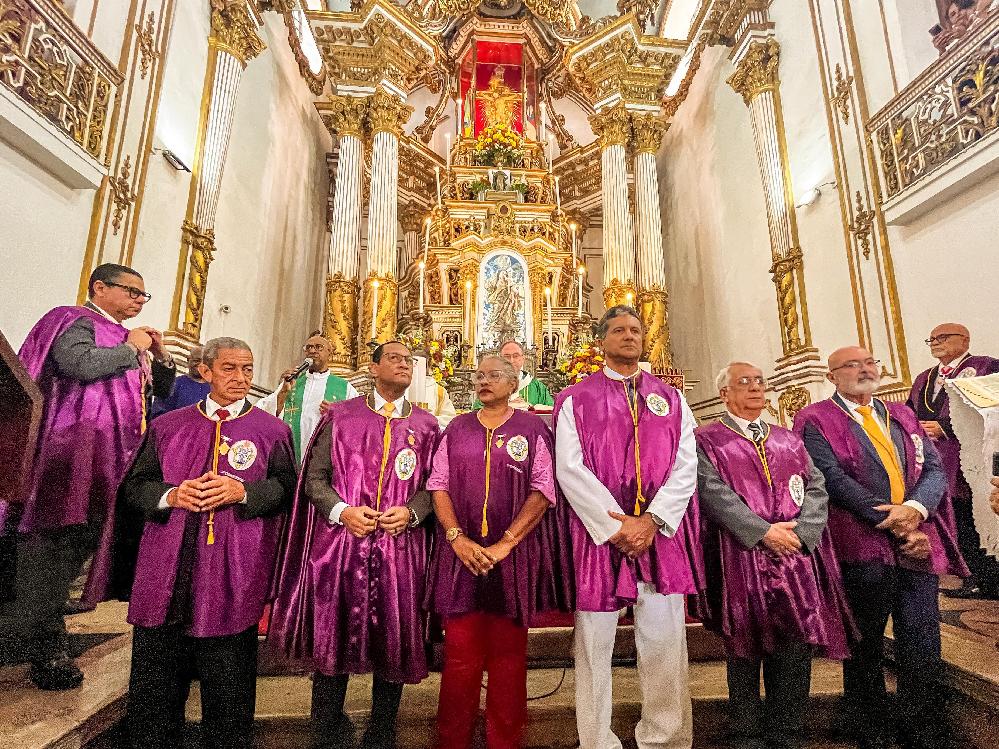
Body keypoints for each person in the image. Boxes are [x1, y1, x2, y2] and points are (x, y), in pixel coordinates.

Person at [0, 262, 175, 690]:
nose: (139, 300)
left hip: (105, 466)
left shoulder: (123, 338)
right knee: (48, 555)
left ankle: (40, 636)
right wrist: (131, 348)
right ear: (99, 287)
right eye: (132, 291)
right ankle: (44, 648)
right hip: (65, 460)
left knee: (69, 553)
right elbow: (75, 363)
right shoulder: (73, 320)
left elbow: (161, 392)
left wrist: (161, 358)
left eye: (143, 295)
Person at [118, 337, 297, 749]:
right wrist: (172, 496)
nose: (241, 378)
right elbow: (135, 489)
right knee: (157, 687)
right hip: (168, 568)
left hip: (234, 571)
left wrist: (244, 493)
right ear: (206, 372)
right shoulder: (167, 426)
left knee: (228, 686)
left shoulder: (272, 431)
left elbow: (288, 488)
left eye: (247, 370)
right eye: (230, 369)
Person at [269, 341, 440, 749]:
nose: (404, 365)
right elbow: (314, 478)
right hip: (342, 546)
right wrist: (342, 511)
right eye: (395, 359)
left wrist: (412, 513)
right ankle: (326, 729)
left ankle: (382, 730)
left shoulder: (428, 425)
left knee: (394, 639)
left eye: (408, 362)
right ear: (374, 367)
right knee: (334, 634)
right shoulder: (342, 416)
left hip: (400, 548)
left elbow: (436, 485)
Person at [795, 346, 967, 749]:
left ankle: (922, 724)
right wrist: (890, 519)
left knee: (922, 637)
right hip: (860, 543)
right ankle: (867, 722)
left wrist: (915, 509)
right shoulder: (814, 418)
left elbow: (934, 468)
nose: (864, 369)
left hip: (917, 541)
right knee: (865, 640)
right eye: (852, 365)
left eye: (870, 362)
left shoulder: (903, 414)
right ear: (832, 375)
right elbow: (829, 477)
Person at [554, 305, 702, 749]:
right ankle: (597, 740)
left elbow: (686, 462)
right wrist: (614, 525)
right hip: (599, 539)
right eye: (618, 330)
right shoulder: (575, 399)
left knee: (665, 644)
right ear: (601, 340)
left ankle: (665, 737)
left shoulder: (672, 398)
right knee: (593, 647)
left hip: (659, 537)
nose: (629, 336)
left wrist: (652, 520)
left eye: (635, 330)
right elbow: (569, 467)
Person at [696, 362, 853, 749]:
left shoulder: (788, 439)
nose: (754, 388)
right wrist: (761, 531)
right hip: (742, 554)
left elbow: (817, 485)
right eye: (743, 382)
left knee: (795, 645)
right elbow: (711, 491)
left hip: (795, 557)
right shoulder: (707, 439)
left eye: (759, 382)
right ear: (725, 394)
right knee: (745, 644)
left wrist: (803, 533)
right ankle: (746, 733)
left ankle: (790, 733)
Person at [426, 355, 565, 749]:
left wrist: (505, 544)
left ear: (515, 382)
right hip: (461, 559)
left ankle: (504, 739)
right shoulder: (457, 427)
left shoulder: (533, 428)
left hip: (512, 558)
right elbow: (438, 485)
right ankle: (452, 740)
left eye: (495, 375)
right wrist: (457, 538)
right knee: (459, 657)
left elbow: (543, 491)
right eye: (480, 375)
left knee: (508, 657)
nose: (484, 381)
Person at [906, 323, 999, 599]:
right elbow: (911, 412)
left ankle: (992, 577)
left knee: (981, 514)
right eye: (931, 339)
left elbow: (993, 409)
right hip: (939, 461)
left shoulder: (986, 366)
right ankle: (973, 577)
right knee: (957, 517)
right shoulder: (924, 378)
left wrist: (945, 428)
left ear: (965, 339)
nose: (935, 342)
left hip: (973, 456)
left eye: (943, 337)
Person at [256, 332, 358, 460]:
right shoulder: (293, 382)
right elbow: (265, 412)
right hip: (289, 454)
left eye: (318, 347)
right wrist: (283, 393)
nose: (312, 351)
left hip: (323, 457)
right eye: (308, 347)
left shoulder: (345, 388)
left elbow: (357, 422)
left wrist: (338, 413)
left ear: (329, 353)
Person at [473, 340, 554, 410]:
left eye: (516, 356)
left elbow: (551, 411)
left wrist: (529, 407)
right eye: (507, 356)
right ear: (500, 360)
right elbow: (477, 410)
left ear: (522, 359)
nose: (511, 360)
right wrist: (506, 406)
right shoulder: (489, 385)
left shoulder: (537, 387)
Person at [150, 345, 211, 418]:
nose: (201, 365)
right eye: (196, 360)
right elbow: (158, 416)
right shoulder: (173, 385)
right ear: (188, 360)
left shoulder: (216, 388)